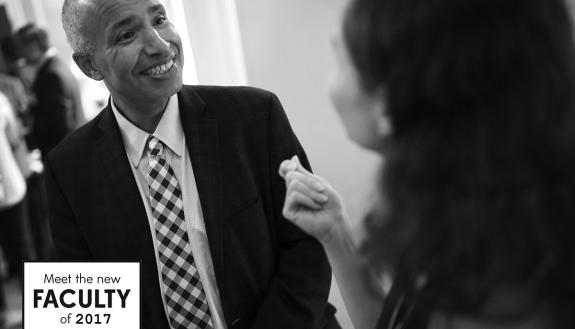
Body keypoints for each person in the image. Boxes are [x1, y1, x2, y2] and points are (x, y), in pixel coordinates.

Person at [279, 0, 575, 328]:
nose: (330, 88)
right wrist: (336, 235)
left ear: (388, 98)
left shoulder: (500, 273)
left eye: (340, 59)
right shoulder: (468, 208)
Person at [46, 0, 339, 328]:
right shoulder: (67, 170)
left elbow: (307, 247)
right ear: (90, 66)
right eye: (127, 34)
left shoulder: (255, 116)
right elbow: (84, 308)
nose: (159, 45)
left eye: (159, 18)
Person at [16, 23, 85, 159]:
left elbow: (60, 125)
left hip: (64, 157)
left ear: (33, 46)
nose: (20, 56)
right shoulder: (59, 65)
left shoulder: (50, 75)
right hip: (74, 151)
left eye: (21, 48)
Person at [0, 90, 35, 327]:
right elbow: (14, 138)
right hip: (11, 186)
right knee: (23, 250)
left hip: (11, 188)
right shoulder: (1, 99)